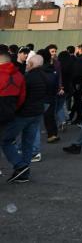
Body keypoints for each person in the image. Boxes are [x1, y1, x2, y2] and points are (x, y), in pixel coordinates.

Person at [3, 52, 44, 182]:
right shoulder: (43, 76)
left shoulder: (27, 77)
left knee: (6, 140)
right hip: (37, 112)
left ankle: (20, 166)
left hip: (23, 114)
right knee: (28, 142)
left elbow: (21, 98)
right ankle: (24, 171)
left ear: (31, 64)